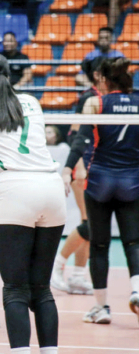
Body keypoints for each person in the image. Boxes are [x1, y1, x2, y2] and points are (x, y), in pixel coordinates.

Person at [0, 53, 66, 354]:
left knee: (15, 289)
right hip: (51, 187)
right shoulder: (32, 101)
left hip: (15, 189)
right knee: (42, 289)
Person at [61, 57, 139, 325]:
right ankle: (138, 290)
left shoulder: (96, 102)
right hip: (132, 181)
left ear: (103, 79)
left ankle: (101, 307)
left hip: (100, 181)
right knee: (133, 242)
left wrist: (66, 169)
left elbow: (81, 139)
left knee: (100, 244)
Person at [51, 57, 108, 296]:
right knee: (89, 225)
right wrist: (80, 166)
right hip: (83, 167)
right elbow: (77, 133)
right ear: (99, 75)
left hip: (94, 167)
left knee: (90, 225)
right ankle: (57, 266)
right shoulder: (89, 97)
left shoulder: (104, 98)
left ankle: (76, 275)